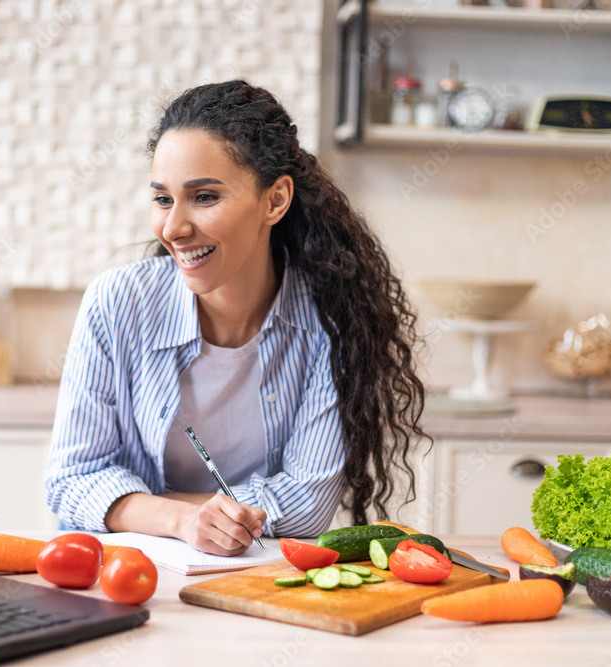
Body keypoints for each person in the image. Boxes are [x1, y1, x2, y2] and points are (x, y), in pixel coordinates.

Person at [44, 80, 427, 556]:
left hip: (251, 580)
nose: (174, 227)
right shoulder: (117, 302)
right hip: (124, 574)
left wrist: (138, 504)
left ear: (275, 200)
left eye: (204, 197)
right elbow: (70, 480)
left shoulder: (331, 320)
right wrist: (184, 519)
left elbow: (308, 507)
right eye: (163, 199)